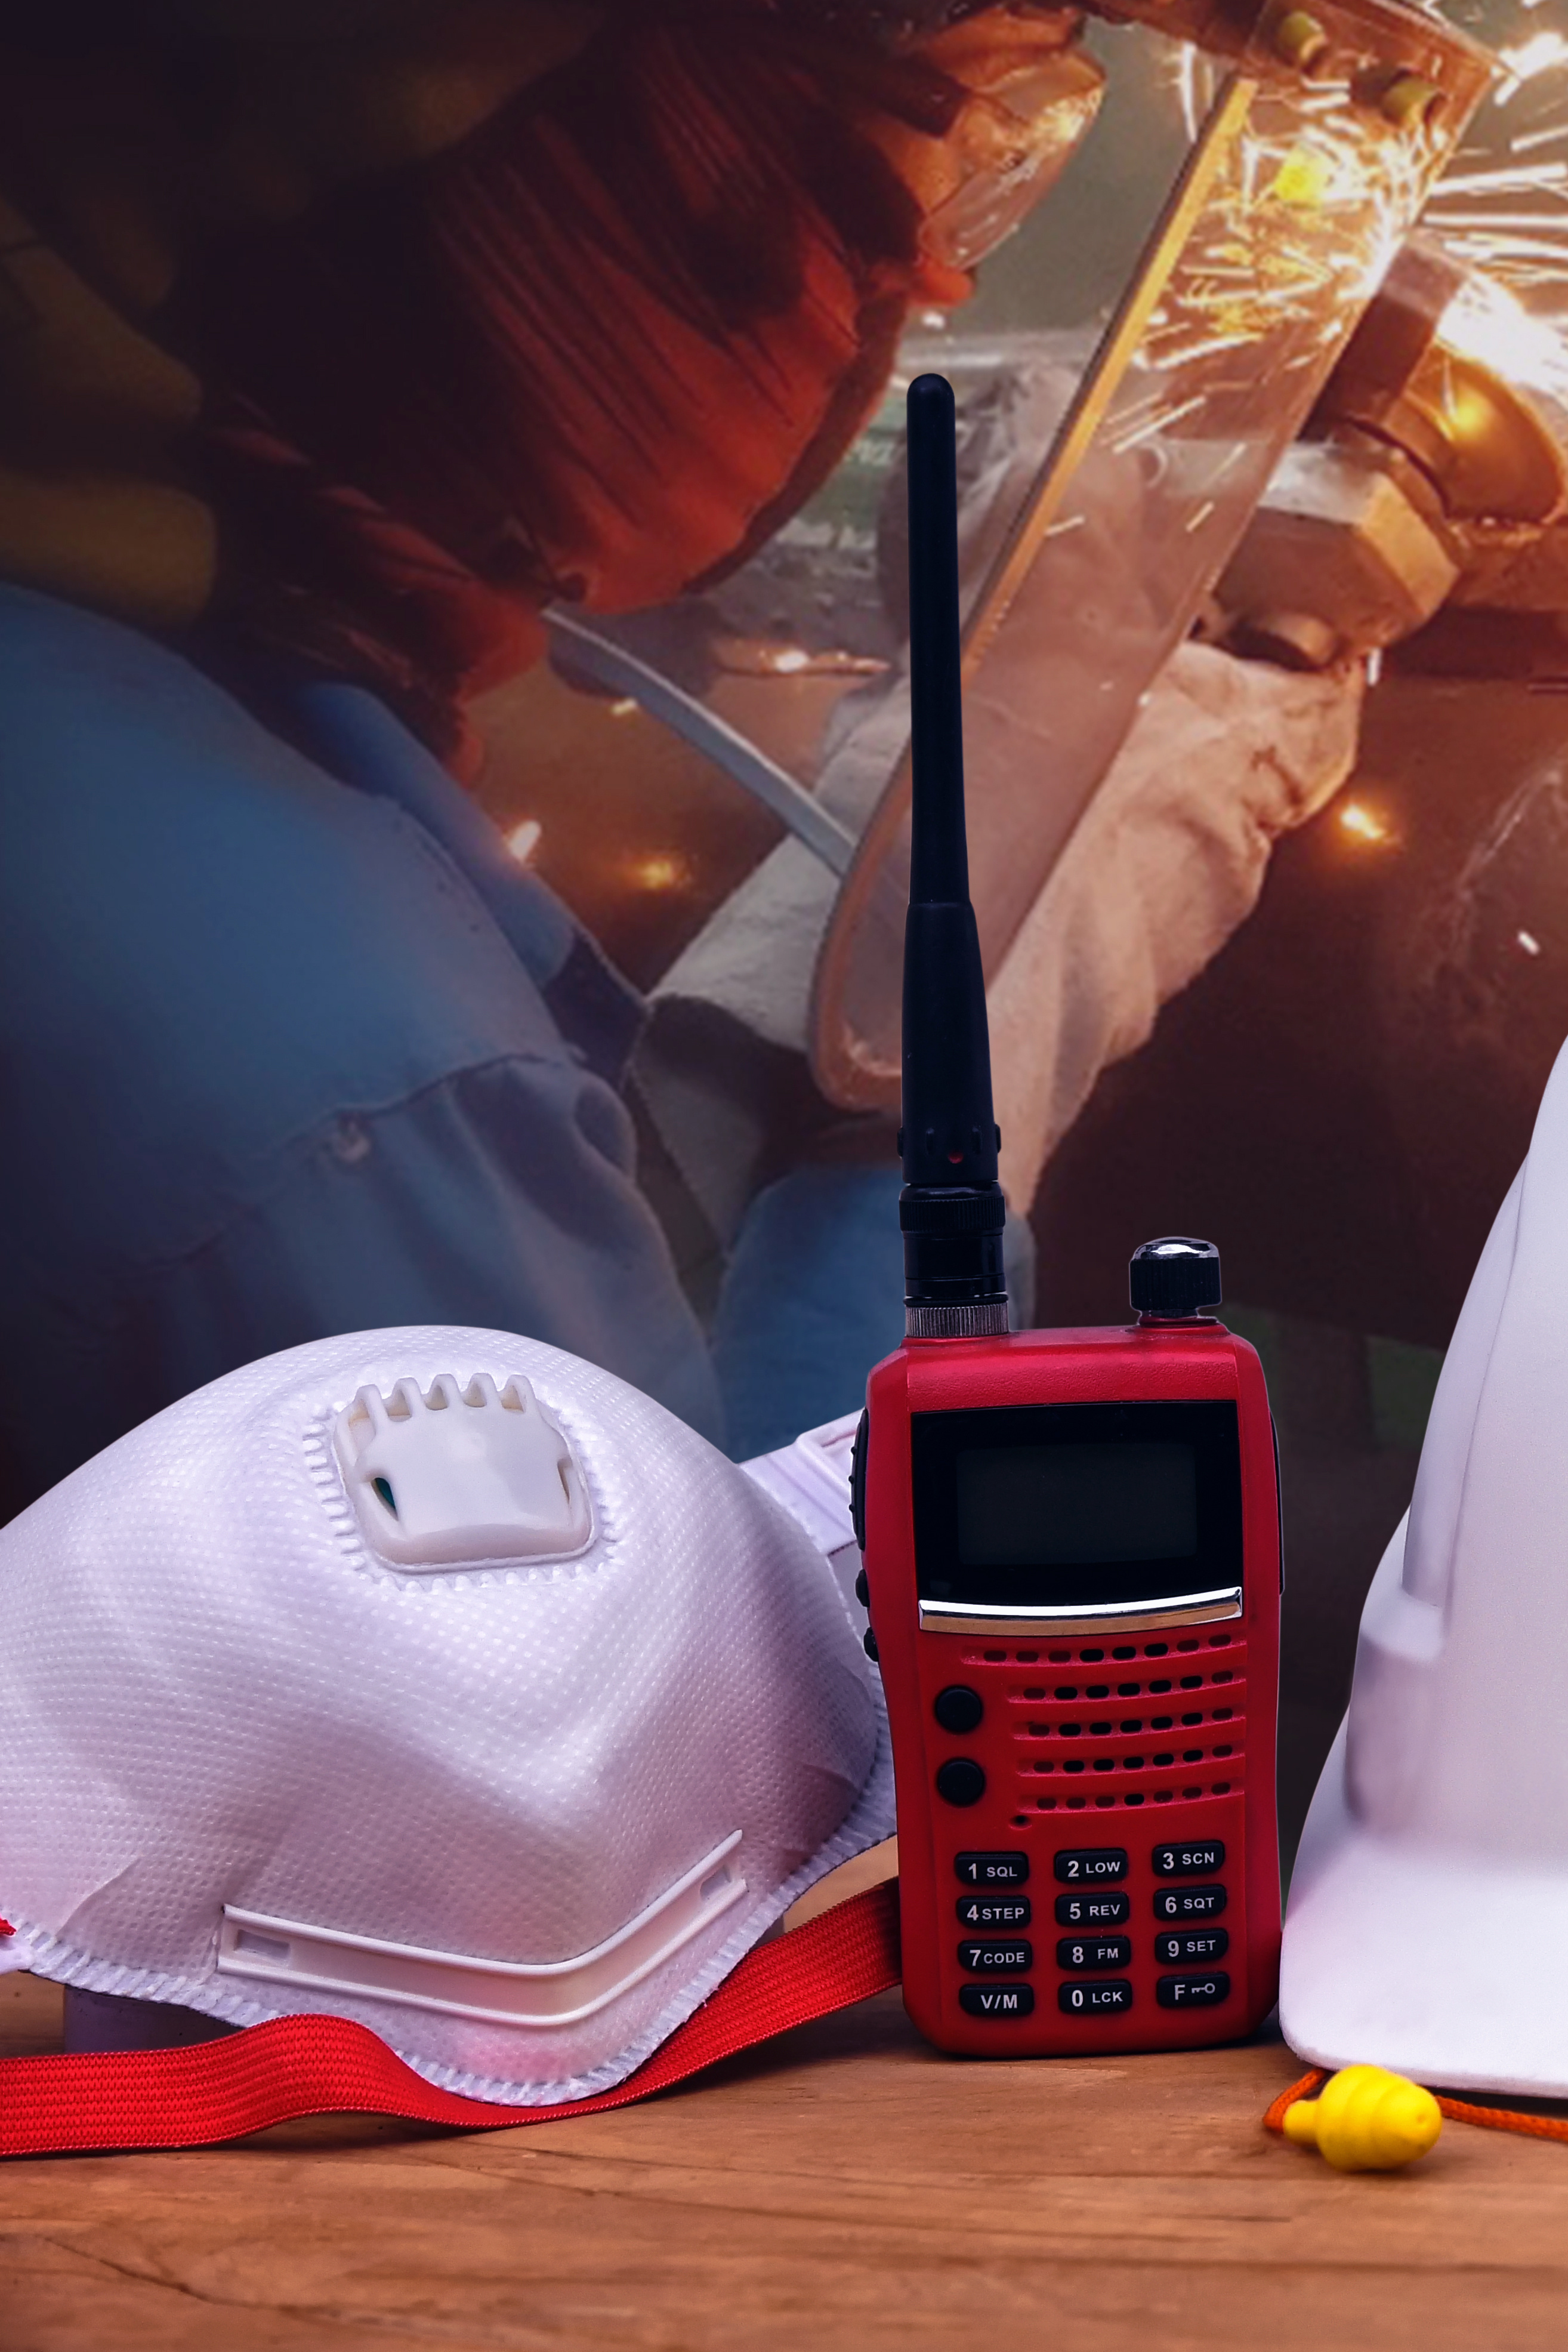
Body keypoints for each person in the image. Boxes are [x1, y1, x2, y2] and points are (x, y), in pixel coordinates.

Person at [0, 2, 1355, 1508]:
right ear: (480, 114)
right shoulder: (360, 1106)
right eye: (896, 160)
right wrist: (961, 1076)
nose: (936, 271)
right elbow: (757, 1715)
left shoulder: (113, 622)